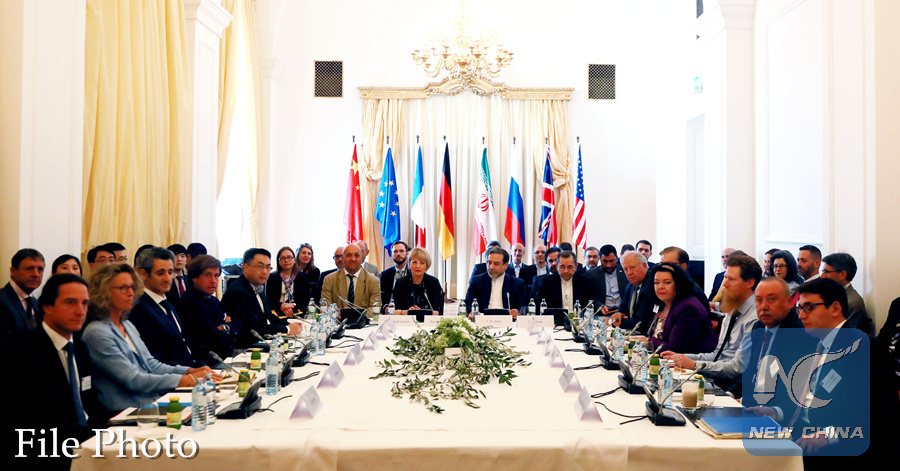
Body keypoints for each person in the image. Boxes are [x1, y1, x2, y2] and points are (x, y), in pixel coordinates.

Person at [81, 264, 217, 412]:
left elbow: (152, 365)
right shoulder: (97, 333)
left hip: (150, 402)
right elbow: (133, 380)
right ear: (102, 292)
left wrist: (189, 371)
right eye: (123, 288)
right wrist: (186, 380)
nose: (131, 293)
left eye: (132, 287)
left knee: (211, 405)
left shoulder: (127, 325)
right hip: (125, 411)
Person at [8, 274, 106, 468]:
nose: (80, 311)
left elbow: (90, 401)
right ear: (47, 306)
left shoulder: (80, 348)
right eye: (71, 302)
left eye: (85, 303)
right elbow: (33, 420)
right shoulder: (25, 353)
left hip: (87, 443)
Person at [665, 277, 807, 391]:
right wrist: (731, 395)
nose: (764, 306)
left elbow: (783, 389)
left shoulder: (798, 334)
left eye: (771, 299)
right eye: (759, 300)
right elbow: (749, 374)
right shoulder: (759, 326)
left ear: (789, 302)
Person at [676, 253, 761, 390]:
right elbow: (717, 355)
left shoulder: (755, 318)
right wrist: (680, 358)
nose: (725, 284)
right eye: (725, 278)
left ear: (749, 283)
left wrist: (693, 364)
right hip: (717, 378)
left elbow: (738, 368)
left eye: (731, 279)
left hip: (732, 386)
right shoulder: (733, 309)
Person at [129, 247, 201, 368]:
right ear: (143, 274)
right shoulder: (140, 309)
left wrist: (204, 368)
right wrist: (190, 373)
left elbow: (186, 343)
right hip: (175, 375)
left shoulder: (167, 303)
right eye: (160, 273)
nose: (167, 278)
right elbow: (156, 357)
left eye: (170, 272)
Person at [222, 248, 302, 346]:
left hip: (260, 341)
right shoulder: (239, 291)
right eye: (260, 266)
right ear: (245, 266)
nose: (265, 272)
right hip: (246, 347)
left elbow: (268, 315)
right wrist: (287, 329)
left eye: (268, 267)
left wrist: (289, 325)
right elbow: (255, 327)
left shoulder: (257, 285)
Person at [178, 255, 242, 367]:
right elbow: (213, 338)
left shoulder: (213, 300)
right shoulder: (188, 303)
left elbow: (238, 324)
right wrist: (226, 327)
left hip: (224, 359)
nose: (213, 281)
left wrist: (224, 327)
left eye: (216, 276)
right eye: (208, 275)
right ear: (194, 278)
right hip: (206, 365)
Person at [639, 263, 717, 354]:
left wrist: (647, 341)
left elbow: (675, 348)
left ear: (678, 284)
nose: (660, 287)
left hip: (691, 360)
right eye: (656, 283)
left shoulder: (688, 308)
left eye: (667, 282)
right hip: (662, 358)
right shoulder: (662, 304)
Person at [534, 250, 597, 324]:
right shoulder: (546, 282)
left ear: (576, 267)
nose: (566, 271)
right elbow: (539, 307)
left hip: (579, 324)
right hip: (554, 324)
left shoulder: (585, 282)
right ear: (557, 266)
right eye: (562, 267)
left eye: (570, 267)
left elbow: (590, 306)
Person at [820, 252, 875, 335]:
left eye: (826, 272)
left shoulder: (853, 302)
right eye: (823, 271)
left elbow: (844, 336)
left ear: (842, 274)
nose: (822, 276)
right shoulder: (830, 295)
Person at [322, 243, 380, 318]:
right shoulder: (329, 279)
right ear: (343, 258)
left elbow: (375, 309)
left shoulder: (373, 281)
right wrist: (338, 314)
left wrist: (351, 314)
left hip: (363, 324)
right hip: (337, 323)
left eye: (356, 255)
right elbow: (325, 307)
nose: (353, 259)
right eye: (349, 255)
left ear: (362, 258)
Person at [0, 248, 44, 347]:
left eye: (40, 269)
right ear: (13, 271)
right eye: (30, 268)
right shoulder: (2, 300)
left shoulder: (37, 304)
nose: (36, 274)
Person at [464, 247, 525, 319]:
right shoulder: (477, 281)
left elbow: (523, 306)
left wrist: (518, 312)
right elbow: (468, 303)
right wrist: (472, 312)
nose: (491, 267)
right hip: (483, 320)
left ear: (505, 265)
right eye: (489, 263)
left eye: (496, 264)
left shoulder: (517, 283)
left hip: (508, 321)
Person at [607, 251, 655, 335]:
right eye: (626, 269)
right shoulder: (631, 285)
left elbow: (640, 323)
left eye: (633, 268)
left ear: (644, 266)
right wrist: (617, 315)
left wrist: (613, 321)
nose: (629, 273)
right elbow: (622, 310)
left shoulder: (652, 286)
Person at [658, 246, 711, 315]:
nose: (663, 269)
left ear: (683, 267)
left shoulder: (689, 291)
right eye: (661, 265)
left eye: (668, 265)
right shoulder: (673, 287)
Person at [392, 248, 444, 315]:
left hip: (428, 320)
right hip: (405, 320)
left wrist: (418, 312)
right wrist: (409, 312)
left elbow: (437, 312)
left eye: (422, 263)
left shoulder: (434, 282)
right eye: (414, 262)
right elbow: (395, 311)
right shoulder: (401, 282)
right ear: (409, 264)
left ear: (427, 266)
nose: (418, 266)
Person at [266, 246, 310, 317]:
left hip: (297, 312)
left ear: (294, 260)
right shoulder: (272, 277)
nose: (286, 260)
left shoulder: (302, 277)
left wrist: (292, 305)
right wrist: (281, 306)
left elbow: (305, 299)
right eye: (283, 258)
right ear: (279, 262)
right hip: (277, 313)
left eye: (289, 257)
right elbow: (269, 299)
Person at [586, 244, 627, 311]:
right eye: (605, 261)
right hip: (601, 313)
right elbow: (588, 297)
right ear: (600, 259)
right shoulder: (591, 274)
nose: (608, 265)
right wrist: (600, 306)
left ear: (617, 258)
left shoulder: (625, 272)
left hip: (622, 311)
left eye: (611, 261)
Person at [380, 241, 409, 305]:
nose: (398, 254)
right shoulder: (385, 274)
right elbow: (382, 296)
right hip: (390, 308)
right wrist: (385, 307)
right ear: (391, 254)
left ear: (407, 254)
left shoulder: (413, 273)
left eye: (401, 251)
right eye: (395, 251)